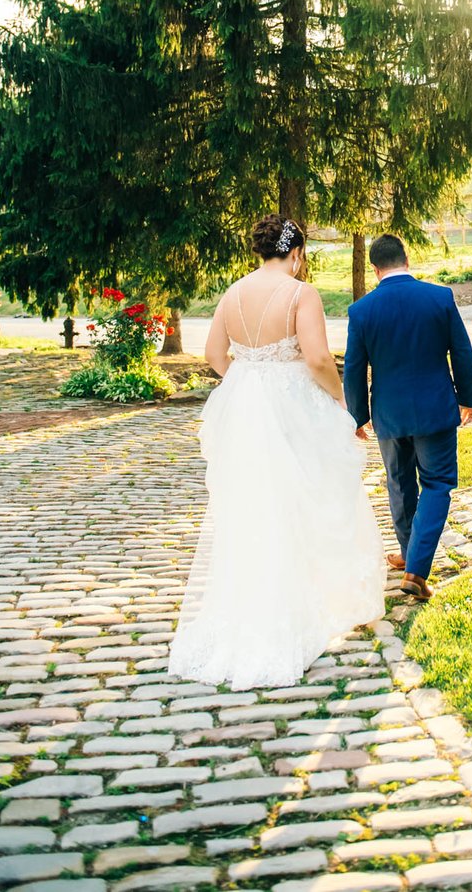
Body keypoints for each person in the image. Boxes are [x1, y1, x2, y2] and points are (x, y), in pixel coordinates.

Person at [169, 215, 386, 689]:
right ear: (297, 252)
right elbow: (318, 359)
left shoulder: (233, 292)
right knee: (308, 501)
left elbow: (213, 355)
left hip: (247, 407)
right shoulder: (299, 293)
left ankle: (256, 608)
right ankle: (301, 613)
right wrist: (343, 402)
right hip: (293, 407)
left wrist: (247, 384)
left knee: (253, 510)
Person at [343, 233, 472, 601]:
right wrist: (469, 399)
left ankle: (410, 556)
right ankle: (416, 568)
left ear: (374, 270)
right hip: (435, 409)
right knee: (437, 484)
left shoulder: (362, 310)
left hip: (389, 413)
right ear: (407, 260)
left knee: (399, 485)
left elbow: (354, 369)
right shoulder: (439, 297)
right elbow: (461, 352)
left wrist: (357, 416)